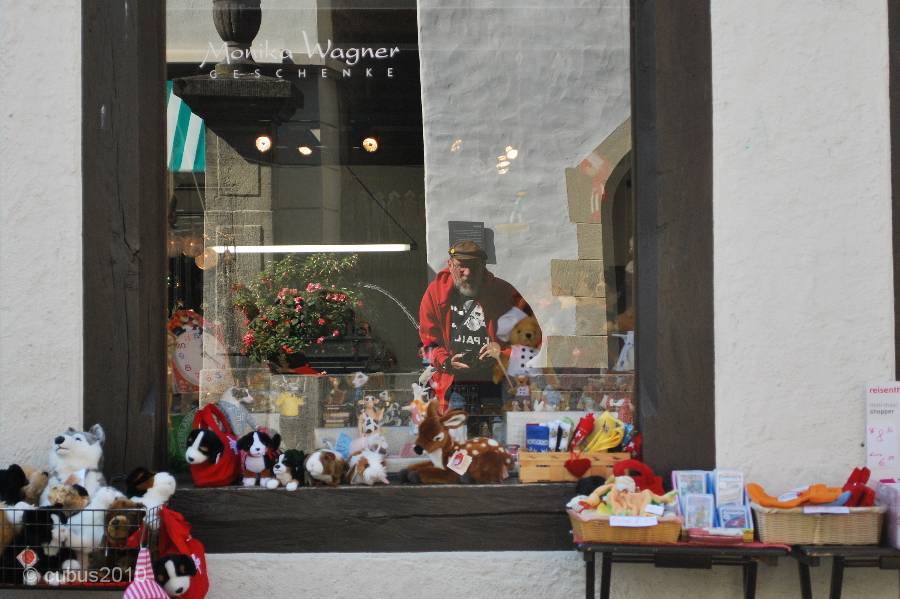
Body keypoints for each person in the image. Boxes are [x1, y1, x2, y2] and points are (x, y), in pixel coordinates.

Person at [418, 240, 540, 422]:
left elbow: (533, 338)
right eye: (461, 266)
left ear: (483, 266)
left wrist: (502, 354)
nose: (467, 273)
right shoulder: (435, 294)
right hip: (453, 385)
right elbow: (428, 343)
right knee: (455, 435)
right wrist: (446, 361)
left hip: (497, 384)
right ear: (450, 265)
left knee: (498, 434)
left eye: (473, 267)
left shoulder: (504, 293)